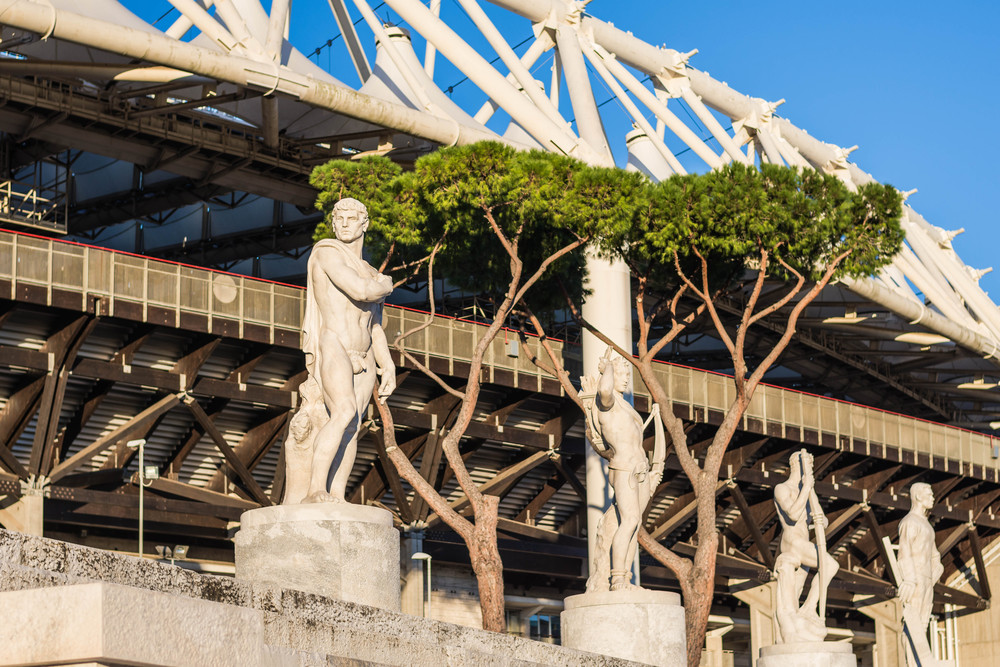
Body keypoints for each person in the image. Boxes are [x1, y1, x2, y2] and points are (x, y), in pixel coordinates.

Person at [298, 197, 396, 504]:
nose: (343, 224)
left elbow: (375, 325)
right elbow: (362, 291)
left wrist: (387, 363)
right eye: (338, 218)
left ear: (364, 224)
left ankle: (338, 496)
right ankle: (315, 490)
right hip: (334, 343)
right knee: (343, 412)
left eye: (351, 218)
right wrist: (387, 284)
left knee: (353, 427)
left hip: (364, 354)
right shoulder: (327, 252)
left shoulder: (367, 268)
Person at [580, 347, 665, 591]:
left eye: (628, 373)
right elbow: (604, 389)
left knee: (635, 524)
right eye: (621, 373)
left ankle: (625, 577)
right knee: (628, 521)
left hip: (639, 469)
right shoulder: (606, 404)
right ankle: (617, 579)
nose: (627, 378)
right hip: (625, 469)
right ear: (610, 375)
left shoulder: (625, 406)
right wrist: (606, 367)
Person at [772, 449, 838, 642]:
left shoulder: (806, 490)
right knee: (831, 565)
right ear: (797, 465)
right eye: (808, 465)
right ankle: (809, 608)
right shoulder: (782, 488)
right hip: (793, 543)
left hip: (804, 542)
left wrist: (821, 518)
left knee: (795, 591)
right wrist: (807, 488)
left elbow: (820, 518)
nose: (811, 470)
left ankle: (793, 626)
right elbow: (793, 514)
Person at [898, 482, 947, 667]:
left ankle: (921, 662)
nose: (933, 497)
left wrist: (938, 567)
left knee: (923, 623)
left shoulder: (926, 524)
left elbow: (934, 553)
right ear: (918, 496)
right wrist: (909, 579)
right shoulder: (909, 522)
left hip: (927, 580)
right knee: (912, 624)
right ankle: (910, 663)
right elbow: (904, 553)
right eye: (929, 493)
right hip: (916, 579)